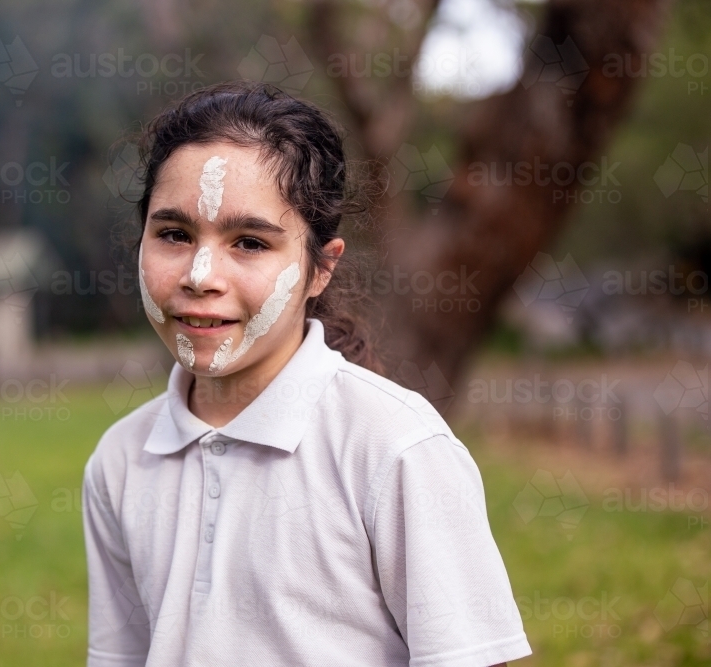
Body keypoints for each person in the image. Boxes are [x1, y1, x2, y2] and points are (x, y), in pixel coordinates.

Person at [82, 80, 532, 666]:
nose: (200, 274)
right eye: (174, 234)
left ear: (321, 268)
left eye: (248, 242)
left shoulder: (395, 449)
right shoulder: (119, 459)